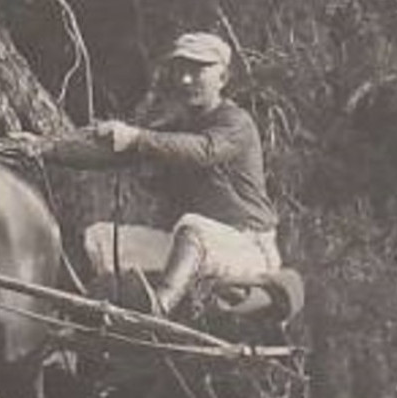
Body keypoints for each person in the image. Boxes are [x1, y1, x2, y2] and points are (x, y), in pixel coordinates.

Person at [15, 31, 281, 316]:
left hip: (247, 248)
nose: (186, 79)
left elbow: (204, 150)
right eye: (181, 70)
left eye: (199, 69)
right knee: (99, 240)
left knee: (194, 228)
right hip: (187, 247)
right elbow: (117, 151)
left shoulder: (236, 123)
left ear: (223, 78)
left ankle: (159, 309)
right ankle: (58, 322)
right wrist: (42, 148)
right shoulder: (176, 124)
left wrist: (137, 137)